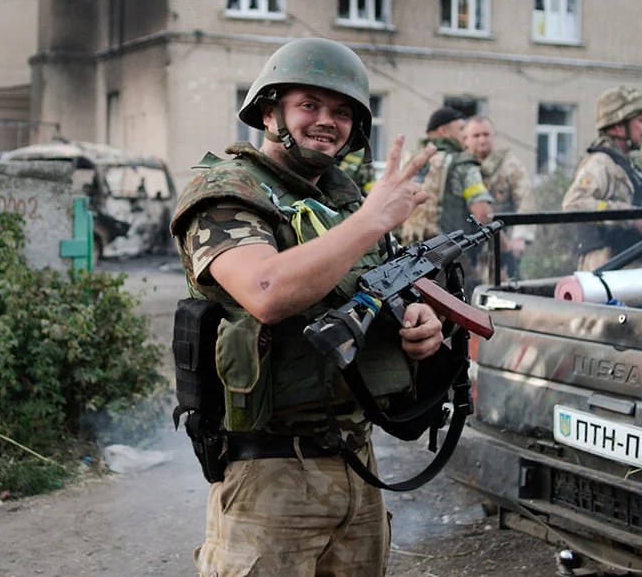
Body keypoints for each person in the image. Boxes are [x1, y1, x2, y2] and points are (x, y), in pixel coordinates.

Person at [170, 37, 444, 576]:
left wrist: (417, 320)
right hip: (269, 475)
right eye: (309, 105)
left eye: (342, 112)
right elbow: (265, 291)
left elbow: (377, 292)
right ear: (270, 112)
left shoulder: (345, 203)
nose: (327, 121)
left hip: (355, 464)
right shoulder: (226, 191)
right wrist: (372, 220)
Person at [562, 85, 642, 271]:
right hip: (606, 266)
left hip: (626, 265)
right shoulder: (600, 163)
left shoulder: (626, 166)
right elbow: (574, 203)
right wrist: (630, 217)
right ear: (619, 126)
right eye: (641, 120)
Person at [400, 106, 494, 296]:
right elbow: (482, 213)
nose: (464, 136)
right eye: (460, 129)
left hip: (409, 258)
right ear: (443, 130)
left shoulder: (410, 160)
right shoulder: (463, 163)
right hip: (450, 260)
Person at [463, 116, 536, 281]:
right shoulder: (460, 166)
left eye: (486, 134)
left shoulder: (510, 165)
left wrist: (519, 237)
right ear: (465, 139)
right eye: (476, 136)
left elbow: (525, 200)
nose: (482, 140)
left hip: (499, 246)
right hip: (466, 247)